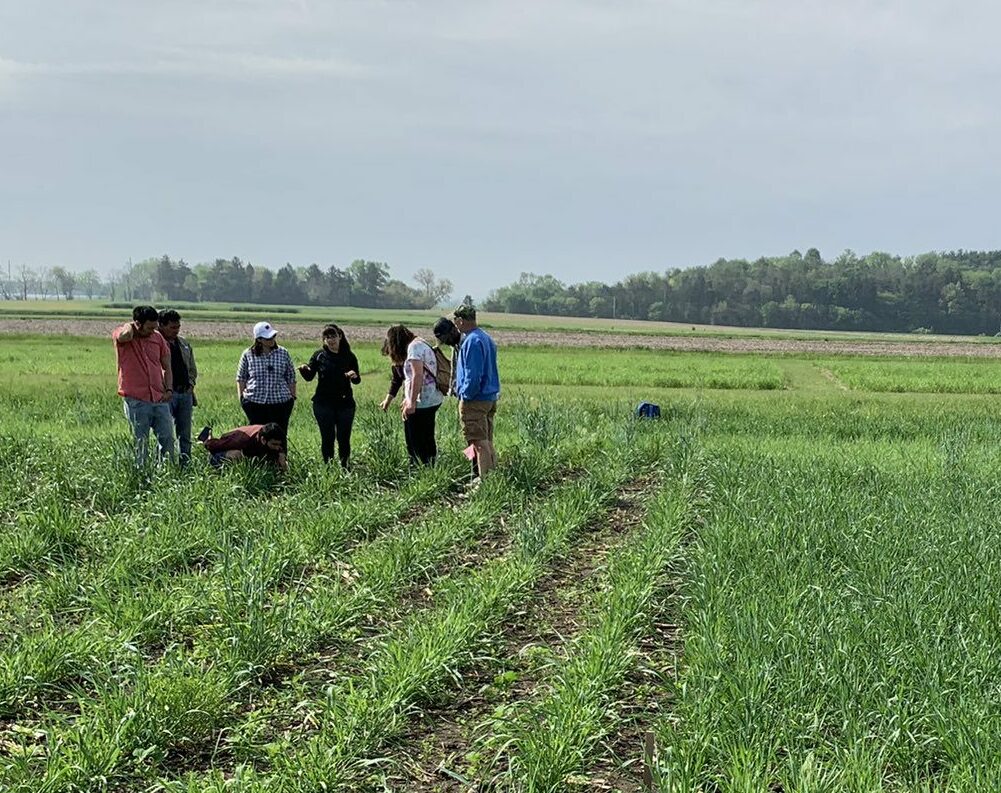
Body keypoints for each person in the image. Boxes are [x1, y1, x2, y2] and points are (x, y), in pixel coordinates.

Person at [112, 305, 175, 466]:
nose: (152, 331)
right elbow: (125, 336)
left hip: (159, 398)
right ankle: (141, 475)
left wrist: (168, 389)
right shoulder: (124, 334)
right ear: (138, 324)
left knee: (167, 437)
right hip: (136, 400)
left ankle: (165, 473)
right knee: (140, 441)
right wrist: (129, 325)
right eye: (149, 327)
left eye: (155, 327)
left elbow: (167, 366)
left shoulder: (158, 338)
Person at [298, 324, 361, 467]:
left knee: (344, 438)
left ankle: (345, 467)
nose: (330, 340)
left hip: (345, 404)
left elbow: (357, 380)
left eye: (333, 336)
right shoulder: (319, 355)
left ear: (340, 336)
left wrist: (354, 375)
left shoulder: (349, 356)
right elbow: (309, 377)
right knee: (328, 437)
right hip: (323, 403)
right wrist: (303, 369)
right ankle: (328, 468)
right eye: (326, 337)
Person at [452, 304, 500, 479]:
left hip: (476, 398)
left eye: (455, 320)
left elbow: (473, 375)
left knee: (478, 442)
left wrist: (466, 395)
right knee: (486, 439)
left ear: (461, 320)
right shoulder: (485, 337)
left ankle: (484, 481)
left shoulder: (472, 341)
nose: (455, 325)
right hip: (489, 397)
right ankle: (492, 476)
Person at [385, 324, 443, 467]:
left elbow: (417, 376)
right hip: (433, 397)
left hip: (422, 400)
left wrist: (411, 402)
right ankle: (431, 466)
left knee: (415, 439)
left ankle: (419, 469)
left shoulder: (413, 348)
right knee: (427, 436)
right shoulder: (422, 343)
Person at [236, 321, 296, 449]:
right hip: (255, 403)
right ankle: (260, 463)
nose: (271, 340)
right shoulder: (248, 354)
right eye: (267, 338)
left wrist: (292, 396)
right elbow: (241, 377)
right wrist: (241, 398)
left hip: (280, 403)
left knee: (279, 435)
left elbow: (291, 376)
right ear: (259, 339)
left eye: (273, 336)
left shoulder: (283, 353)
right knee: (257, 435)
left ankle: (280, 464)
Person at [157, 309, 198, 464]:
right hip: (166, 395)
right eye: (172, 327)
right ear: (161, 325)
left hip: (185, 394)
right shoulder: (154, 344)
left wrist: (191, 385)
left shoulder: (184, 344)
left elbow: (192, 369)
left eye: (178, 327)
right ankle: (165, 466)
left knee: (185, 435)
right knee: (166, 435)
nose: (176, 331)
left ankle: (185, 466)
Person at [198, 423, 287, 471]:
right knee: (237, 455)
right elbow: (213, 445)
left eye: (279, 445)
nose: (277, 447)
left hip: (250, 454)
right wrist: (208, 442)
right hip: (222, 449)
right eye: (274, 445)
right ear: (263, 440)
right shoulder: (243, 439)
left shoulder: (277, 439)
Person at [432, 317, 461, 396]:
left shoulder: (467, 344)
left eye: (446, 339)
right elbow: (454, 368)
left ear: (453, 330)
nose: (446, 343)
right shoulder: (455, 346)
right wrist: (451, 389)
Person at [379, 338, 406, 412]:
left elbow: (418, 381)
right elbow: (396, 381)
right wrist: (387, 400)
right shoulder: (396, 365)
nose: (391, 360)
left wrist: (410, 399)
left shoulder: (413, 362)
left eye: (392, 356)